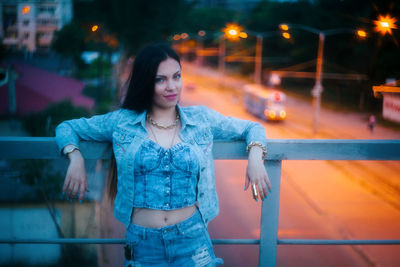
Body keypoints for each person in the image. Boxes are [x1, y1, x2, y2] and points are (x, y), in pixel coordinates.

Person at [55, 43, 271, 266]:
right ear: (145, 82)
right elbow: (66, 128)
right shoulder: (122, 122)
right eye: (161, 79)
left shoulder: (201, 119)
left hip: (192, 239)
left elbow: (252, 128)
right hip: (143, 243)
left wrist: (255, 157)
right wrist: (75, 156)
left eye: (176, 76)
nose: (172, 86)